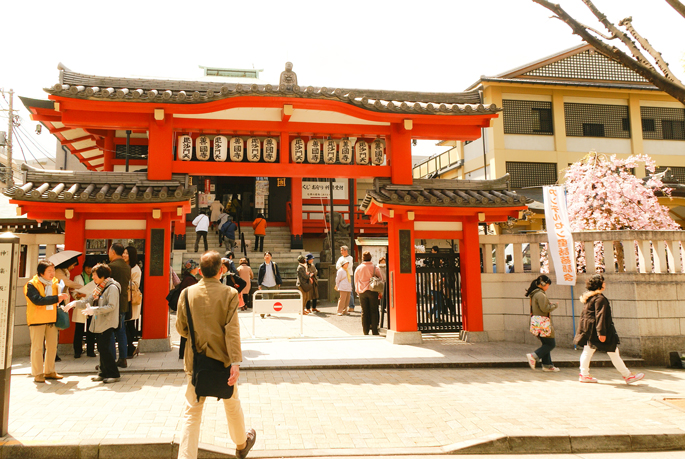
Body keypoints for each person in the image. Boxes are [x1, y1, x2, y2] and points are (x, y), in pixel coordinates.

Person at [175, 251, 256, 459]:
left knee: (192, 412)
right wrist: (236, 362)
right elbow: (232, 330)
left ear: (200, 271)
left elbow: (181, 328)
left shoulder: (187, 293)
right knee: (232, 403)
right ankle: (241, 444)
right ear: (221, 270)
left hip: (196, 361)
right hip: (224, 360)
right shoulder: (229, 293)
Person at [575, 274, 645, 384]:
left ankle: (584, 375)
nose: (605, 283)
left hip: (590, 331)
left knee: (588, 351)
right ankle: (627, 376)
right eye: (603, 282)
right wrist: (601, 333)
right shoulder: (600, 299)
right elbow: (601, 316)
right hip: (599, 331)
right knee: (613, 352)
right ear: (599, 285)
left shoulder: (590, 299)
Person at [66, 263, 122, 383]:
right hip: (100, 322)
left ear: (102, 275)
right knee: (101, 348)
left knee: (105, 348)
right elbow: (89, 300)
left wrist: (94, 310)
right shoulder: (99, 287)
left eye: (95, 275)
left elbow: (111, 306)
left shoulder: (112, 287)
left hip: (107, 322)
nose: (93, 278)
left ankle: (114, 373)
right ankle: (103, 372)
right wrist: (75, 303)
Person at [24, 260, 70, 383]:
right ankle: (38, 373)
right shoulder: (31, 284)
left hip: (51, 319)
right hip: (37, 320)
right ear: (41, 272)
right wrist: (56, 298)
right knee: (37, 348)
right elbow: (37, 300)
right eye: (49, 271)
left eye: (53, 270)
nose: (52, 273)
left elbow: (57, 299)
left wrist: (61, 298)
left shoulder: (55, 283)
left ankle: (50, 371)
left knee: (52, 347)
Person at [524, 275, 560, 372]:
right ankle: (534, 356)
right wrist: (554, 305)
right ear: (543, 284)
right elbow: (545, 309)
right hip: (543, 323)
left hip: (538, 322)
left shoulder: (535, 294)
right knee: (551, 344)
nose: (548, 287)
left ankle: (547, 365)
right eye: (547, 284)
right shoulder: (540, 295)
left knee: (546, 343)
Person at [108, 243, 131, 368]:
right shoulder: (127, 267)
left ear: (113, 251)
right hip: (122, 302)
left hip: (112, 303)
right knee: (121, 331)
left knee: (110, 331)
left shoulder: (111, 267)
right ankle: (123, 358)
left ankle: (111, 359)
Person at [354, 251, 383, 335]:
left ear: (363, 258)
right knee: (374, 310)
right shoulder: (374, 267)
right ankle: (374, 330)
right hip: (372, 291)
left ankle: (365, 331)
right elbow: (380, 279)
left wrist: (358, 291)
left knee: (364, 311)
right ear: (370, 258)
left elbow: (356, 281)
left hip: (362, 292)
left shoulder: (358, 268)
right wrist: (380, 292)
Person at [72, 258, 96, 358]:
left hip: (91, 304)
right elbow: (73, 292)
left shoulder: (95, 279)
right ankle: (77, 350)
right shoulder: (78, 278)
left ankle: (90, 350)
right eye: (87, 268)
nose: (89, 270)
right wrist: (78, 295)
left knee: (91, 329)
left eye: (91, 268)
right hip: (81, 304)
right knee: (79, 329)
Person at [177, 260, 200, 359]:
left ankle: (183, 353)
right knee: (187, 330)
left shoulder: (189, 278)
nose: (197, 269)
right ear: (192, 269)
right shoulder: (189, 280)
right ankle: (182, 353)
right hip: (189, 307)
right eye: (196, 268)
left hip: (188, 306)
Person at [124, 245, 142, 358]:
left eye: (126, 253)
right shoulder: (125, 266)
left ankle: (131, 348)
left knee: (129, 324)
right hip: (125, 299)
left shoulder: (135, 269)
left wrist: (124, 280)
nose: (124, 255)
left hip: (131, 299)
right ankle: (129, 347)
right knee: (126, 324)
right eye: (123, 253)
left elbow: (135, 285)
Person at [257, 252, 281, 318]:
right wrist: (259, 284)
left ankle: (268, 311)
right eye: (266, 255)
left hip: (273, 284)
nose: (267, 257)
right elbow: (259, 276)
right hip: (264, 284)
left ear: (271, 257)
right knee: (265, 298)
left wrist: (279, 282)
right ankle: (262, 312)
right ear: (264, 257)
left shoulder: (274, 265)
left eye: (269, 255)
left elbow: (277, 274)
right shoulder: (261, 266)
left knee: (270, 299)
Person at [337, 246, 355, 312]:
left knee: (350, 291)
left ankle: (351, 306)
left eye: (342, 250)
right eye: (341, 250)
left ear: (346, 251)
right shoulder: (340, 258)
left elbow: (348, 266)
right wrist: (342, 267)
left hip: (349, 275)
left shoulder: (350, 258)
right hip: (341, 276)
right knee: (342, 291)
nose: (341, 252)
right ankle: (344, 307)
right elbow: (337, 266)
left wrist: (342, 267)